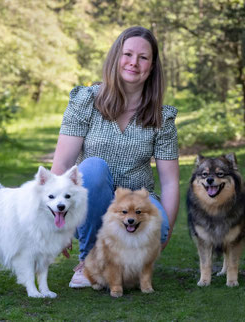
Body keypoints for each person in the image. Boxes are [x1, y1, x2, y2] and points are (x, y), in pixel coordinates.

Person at [51, 26, 179, 288]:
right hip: (88, 204)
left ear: (152, 66)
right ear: (115, 58)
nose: (134, 62)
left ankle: (119, 264)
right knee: (94, 168)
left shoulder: (161, 118)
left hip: (136, 205)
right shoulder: (85, 101)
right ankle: (88, 262)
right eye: (128, 54)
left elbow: (170, 182)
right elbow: (63, 164)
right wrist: (58, 221)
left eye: (143, 57)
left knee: (160, 225)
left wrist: (167, 231)